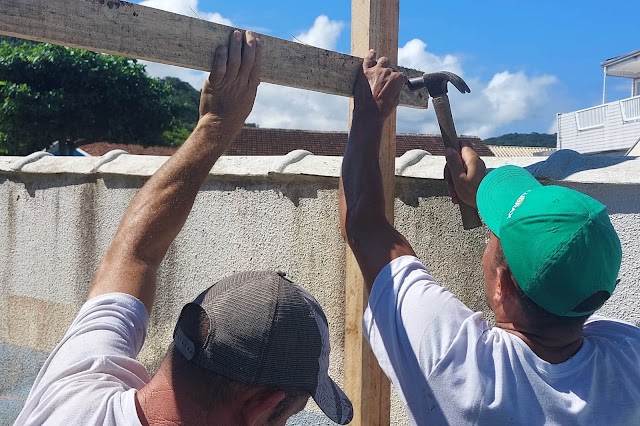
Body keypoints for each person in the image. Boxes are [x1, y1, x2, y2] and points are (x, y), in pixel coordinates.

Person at [15, 30, 353, 426]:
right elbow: (136, 253)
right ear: (261, 407)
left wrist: (215, 123)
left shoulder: (71, 391)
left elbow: (135, 253)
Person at [340, 49, 640, 425]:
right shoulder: (629, 362)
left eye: (495, 235)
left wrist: (368, 114)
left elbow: (364, 224)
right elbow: (555, 271)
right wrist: (483, 194)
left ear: (502, 285)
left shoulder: (458, 366)